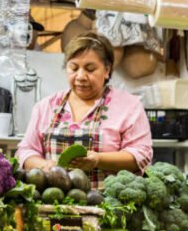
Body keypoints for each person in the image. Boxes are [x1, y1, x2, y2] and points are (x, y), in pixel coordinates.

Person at [16, 32, 153, 188]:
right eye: (74, 68)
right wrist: (45, 166)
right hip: (53, 203)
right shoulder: (46, 106)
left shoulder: (129, 106)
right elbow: (25, 151)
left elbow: (141, 155)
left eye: (90, 69)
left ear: (107, 70)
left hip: (108, 206)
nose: (80, 76)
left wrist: (99, 160)